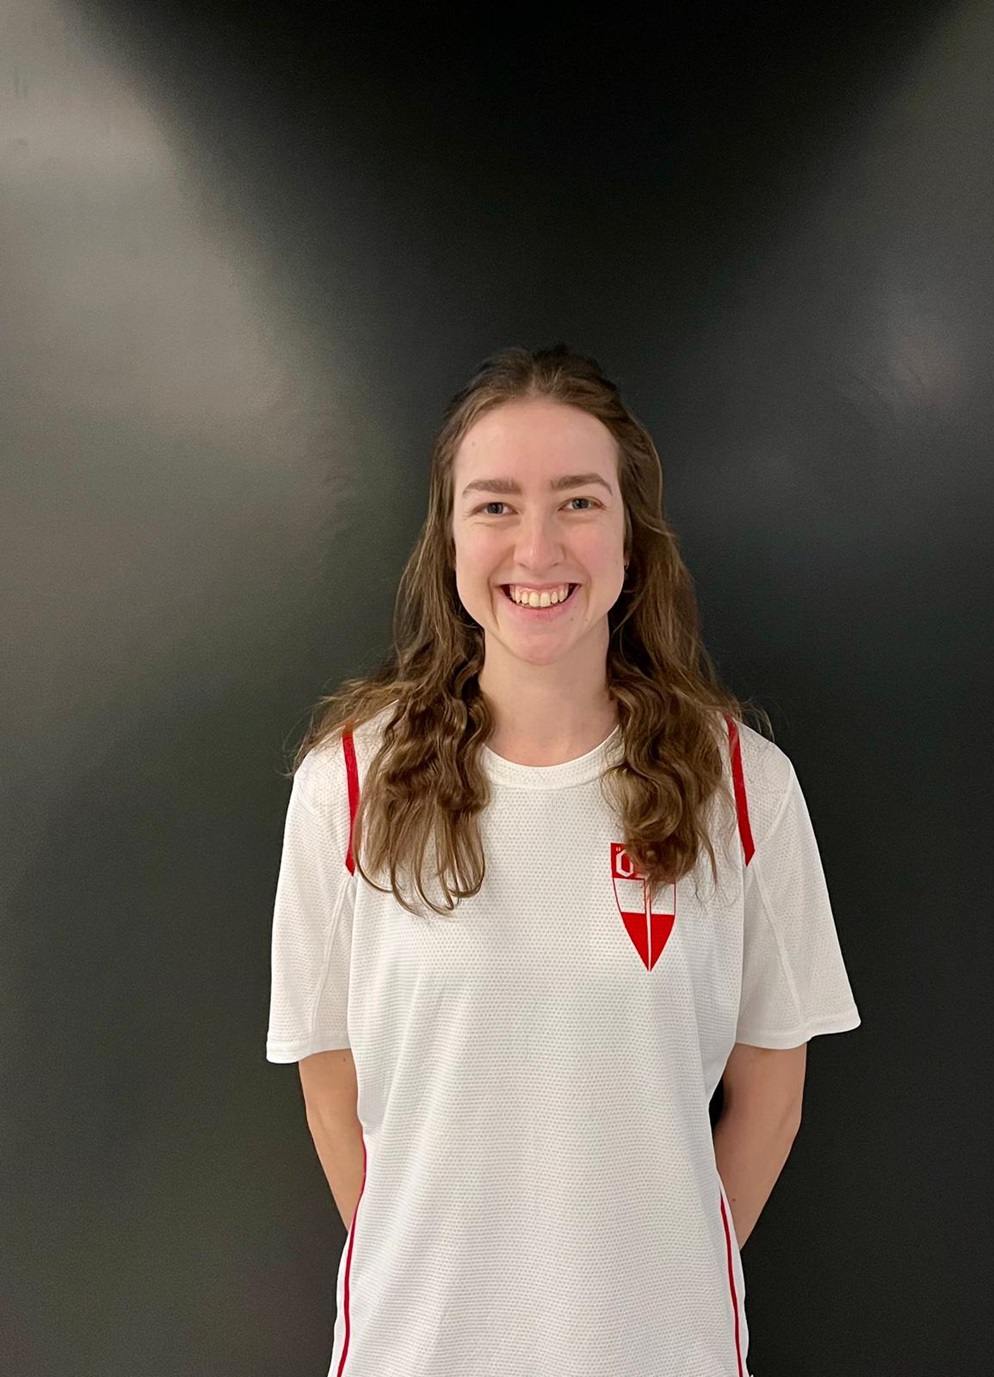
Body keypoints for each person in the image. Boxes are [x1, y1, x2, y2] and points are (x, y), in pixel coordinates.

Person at [266, 343, 861, 1377]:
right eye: (495, 505)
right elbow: (328, 1079)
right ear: (449, 537)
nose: (536, 548)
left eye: (578, 502)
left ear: (630, 536)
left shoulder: (741, 785)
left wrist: (659, 1281)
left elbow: (772, 1089)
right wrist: (450, 1276)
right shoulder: (347, 786)